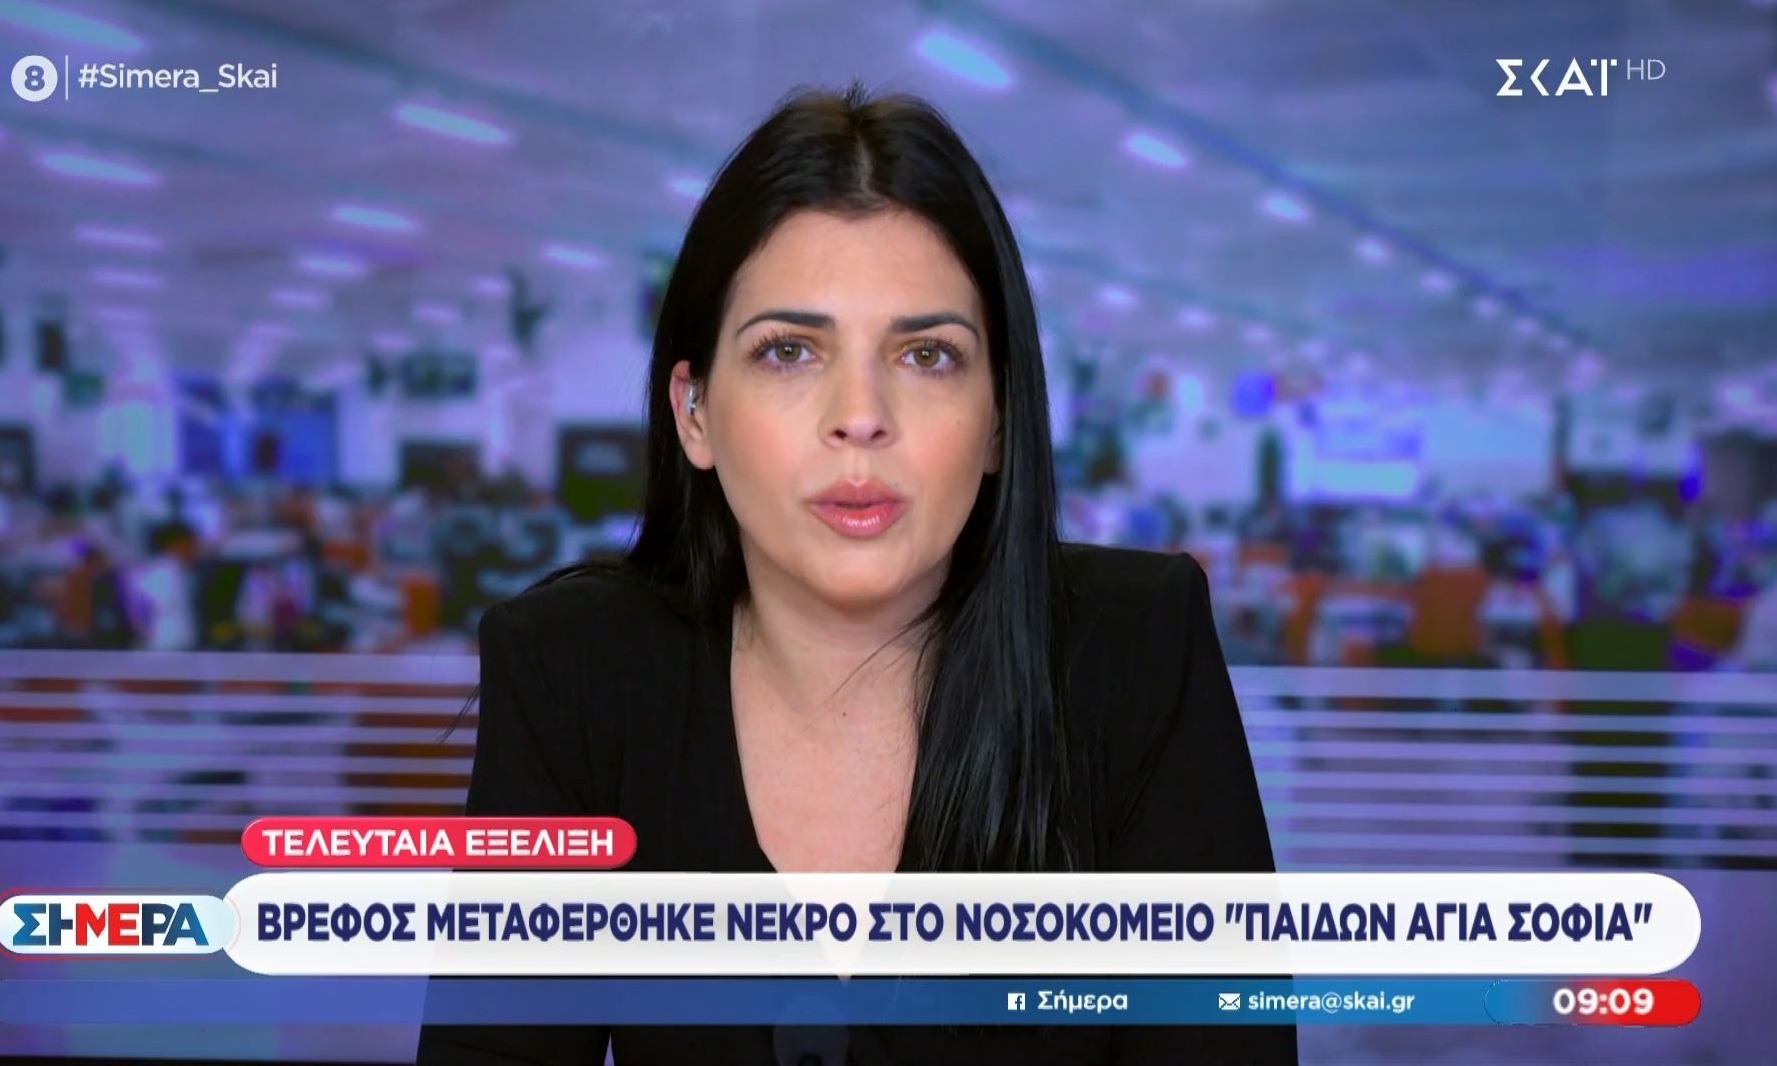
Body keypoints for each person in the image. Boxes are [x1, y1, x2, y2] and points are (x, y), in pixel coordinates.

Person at [416, 84, 1292, 1066]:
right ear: (694, 413)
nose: (861, 417)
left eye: (928, 356)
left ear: (1000, 418)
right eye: (789, 351)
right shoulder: (575, 674)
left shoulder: (1135, 655)